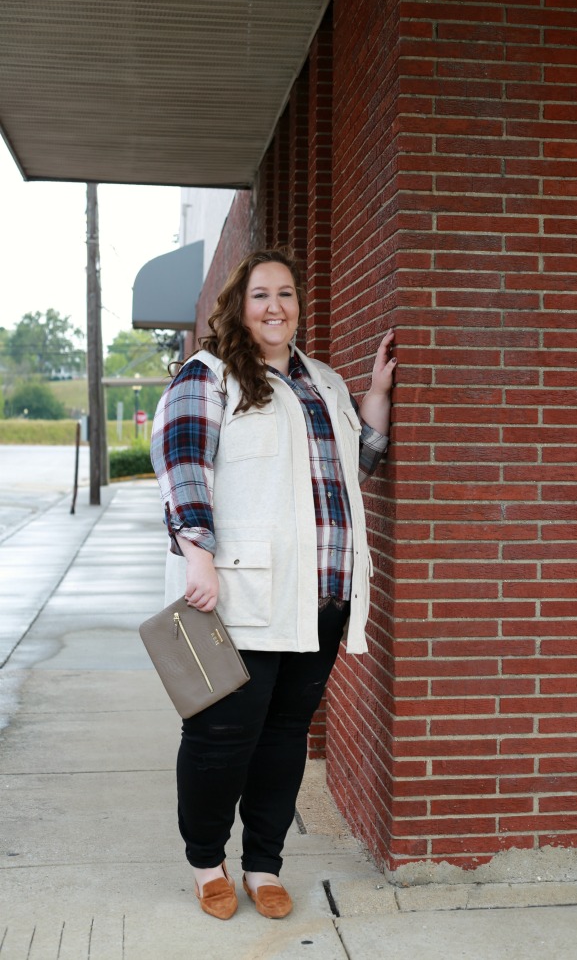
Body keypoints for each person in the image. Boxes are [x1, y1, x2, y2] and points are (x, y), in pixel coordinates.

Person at [151, 247, 395, 921]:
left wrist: (372, 400)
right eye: (261, 294)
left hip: (320, 599)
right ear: (238, 304)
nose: (275, 306)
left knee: (286, 736)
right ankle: (208, 862)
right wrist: (197, 552)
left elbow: (352, 473)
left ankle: (264, 862)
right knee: (221, 737)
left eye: (285, 294)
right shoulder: (209, 378)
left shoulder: (323, 381)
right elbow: (181, 466)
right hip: (240, 596)